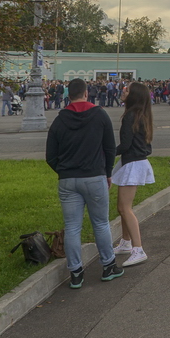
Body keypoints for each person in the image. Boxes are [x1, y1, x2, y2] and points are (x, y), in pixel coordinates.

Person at [45, 78, 121, 288]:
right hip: (95, 177)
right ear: (87, 93)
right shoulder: (100, 115)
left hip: (68, 180)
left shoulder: (60, 120)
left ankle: (76, 273)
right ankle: (108, 266)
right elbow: (110, 148)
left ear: (68, 95)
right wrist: (107, 173)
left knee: (72, 227)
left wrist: (63, 171)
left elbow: (50, 156)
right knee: (101, 223)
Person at [111, 82, 156, 268]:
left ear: (134, 96)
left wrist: (106, 152)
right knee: (121, 207)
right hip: (134, 162)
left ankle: (138, 249)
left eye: (127, 90)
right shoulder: (140, 115)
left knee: (124, 208)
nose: (123, 91)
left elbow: (125, 145)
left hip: (133, 163)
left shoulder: (130, 116)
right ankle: (126, 242)